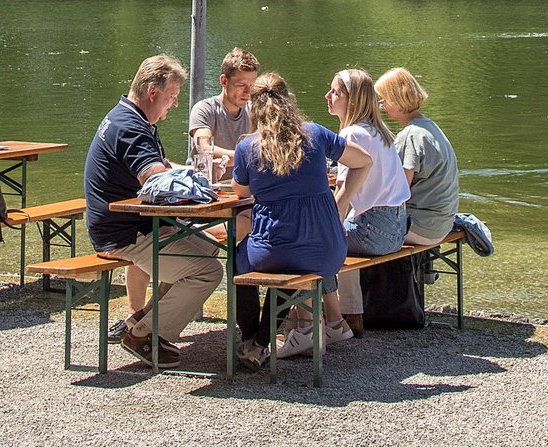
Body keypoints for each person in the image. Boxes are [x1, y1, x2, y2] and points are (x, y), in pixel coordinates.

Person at [84, 54, 226, 364]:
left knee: (207, 248)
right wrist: (198, 186)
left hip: (132, 224)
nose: (174, 105)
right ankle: (144, 337)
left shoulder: (130, 117)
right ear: (152, 92)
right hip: (124, 231)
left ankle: (141, 322)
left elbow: (159, 167)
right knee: (207, 271)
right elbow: (154, 178)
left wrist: (198, 176)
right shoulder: (131, 128)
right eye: (172, 97)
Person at [230, 73, 371, 366]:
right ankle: (259, 343)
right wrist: (339, 202)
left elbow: (242, 192)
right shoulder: (315, 134)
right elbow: (364, 161)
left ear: (254, 108)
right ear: (288, 101)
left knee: (238, 261)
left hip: (275, 250)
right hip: (327, 250)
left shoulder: (247, 147)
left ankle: (250, 341)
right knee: (290, 263)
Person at [320, 68, 410, 338]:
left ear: (353, 99)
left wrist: (323, 228)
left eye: (335, 92)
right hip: (396, 227)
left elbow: (345, 195)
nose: (328, 95)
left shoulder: (352, 136)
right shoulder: (377, 132)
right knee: (329, 237)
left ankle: (324, 323)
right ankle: (349, 317)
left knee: (312, 245)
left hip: (375, 230)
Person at [376, 68, 461, 249]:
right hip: (443, 223)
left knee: (347, 231)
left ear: (396, 99)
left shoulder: (410, 136)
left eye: (383, 99)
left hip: (423, 228)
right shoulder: (430, 127)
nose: (381, 106)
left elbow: (397, 193)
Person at [189, 47, 258, 175]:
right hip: (211, 188)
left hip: (245, 189)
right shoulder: (204, 110)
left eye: (252, 85)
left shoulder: (254, 111)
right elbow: (204, 149)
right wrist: (250, 155)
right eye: (241, 85)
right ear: (224, 81)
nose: (248, 92)